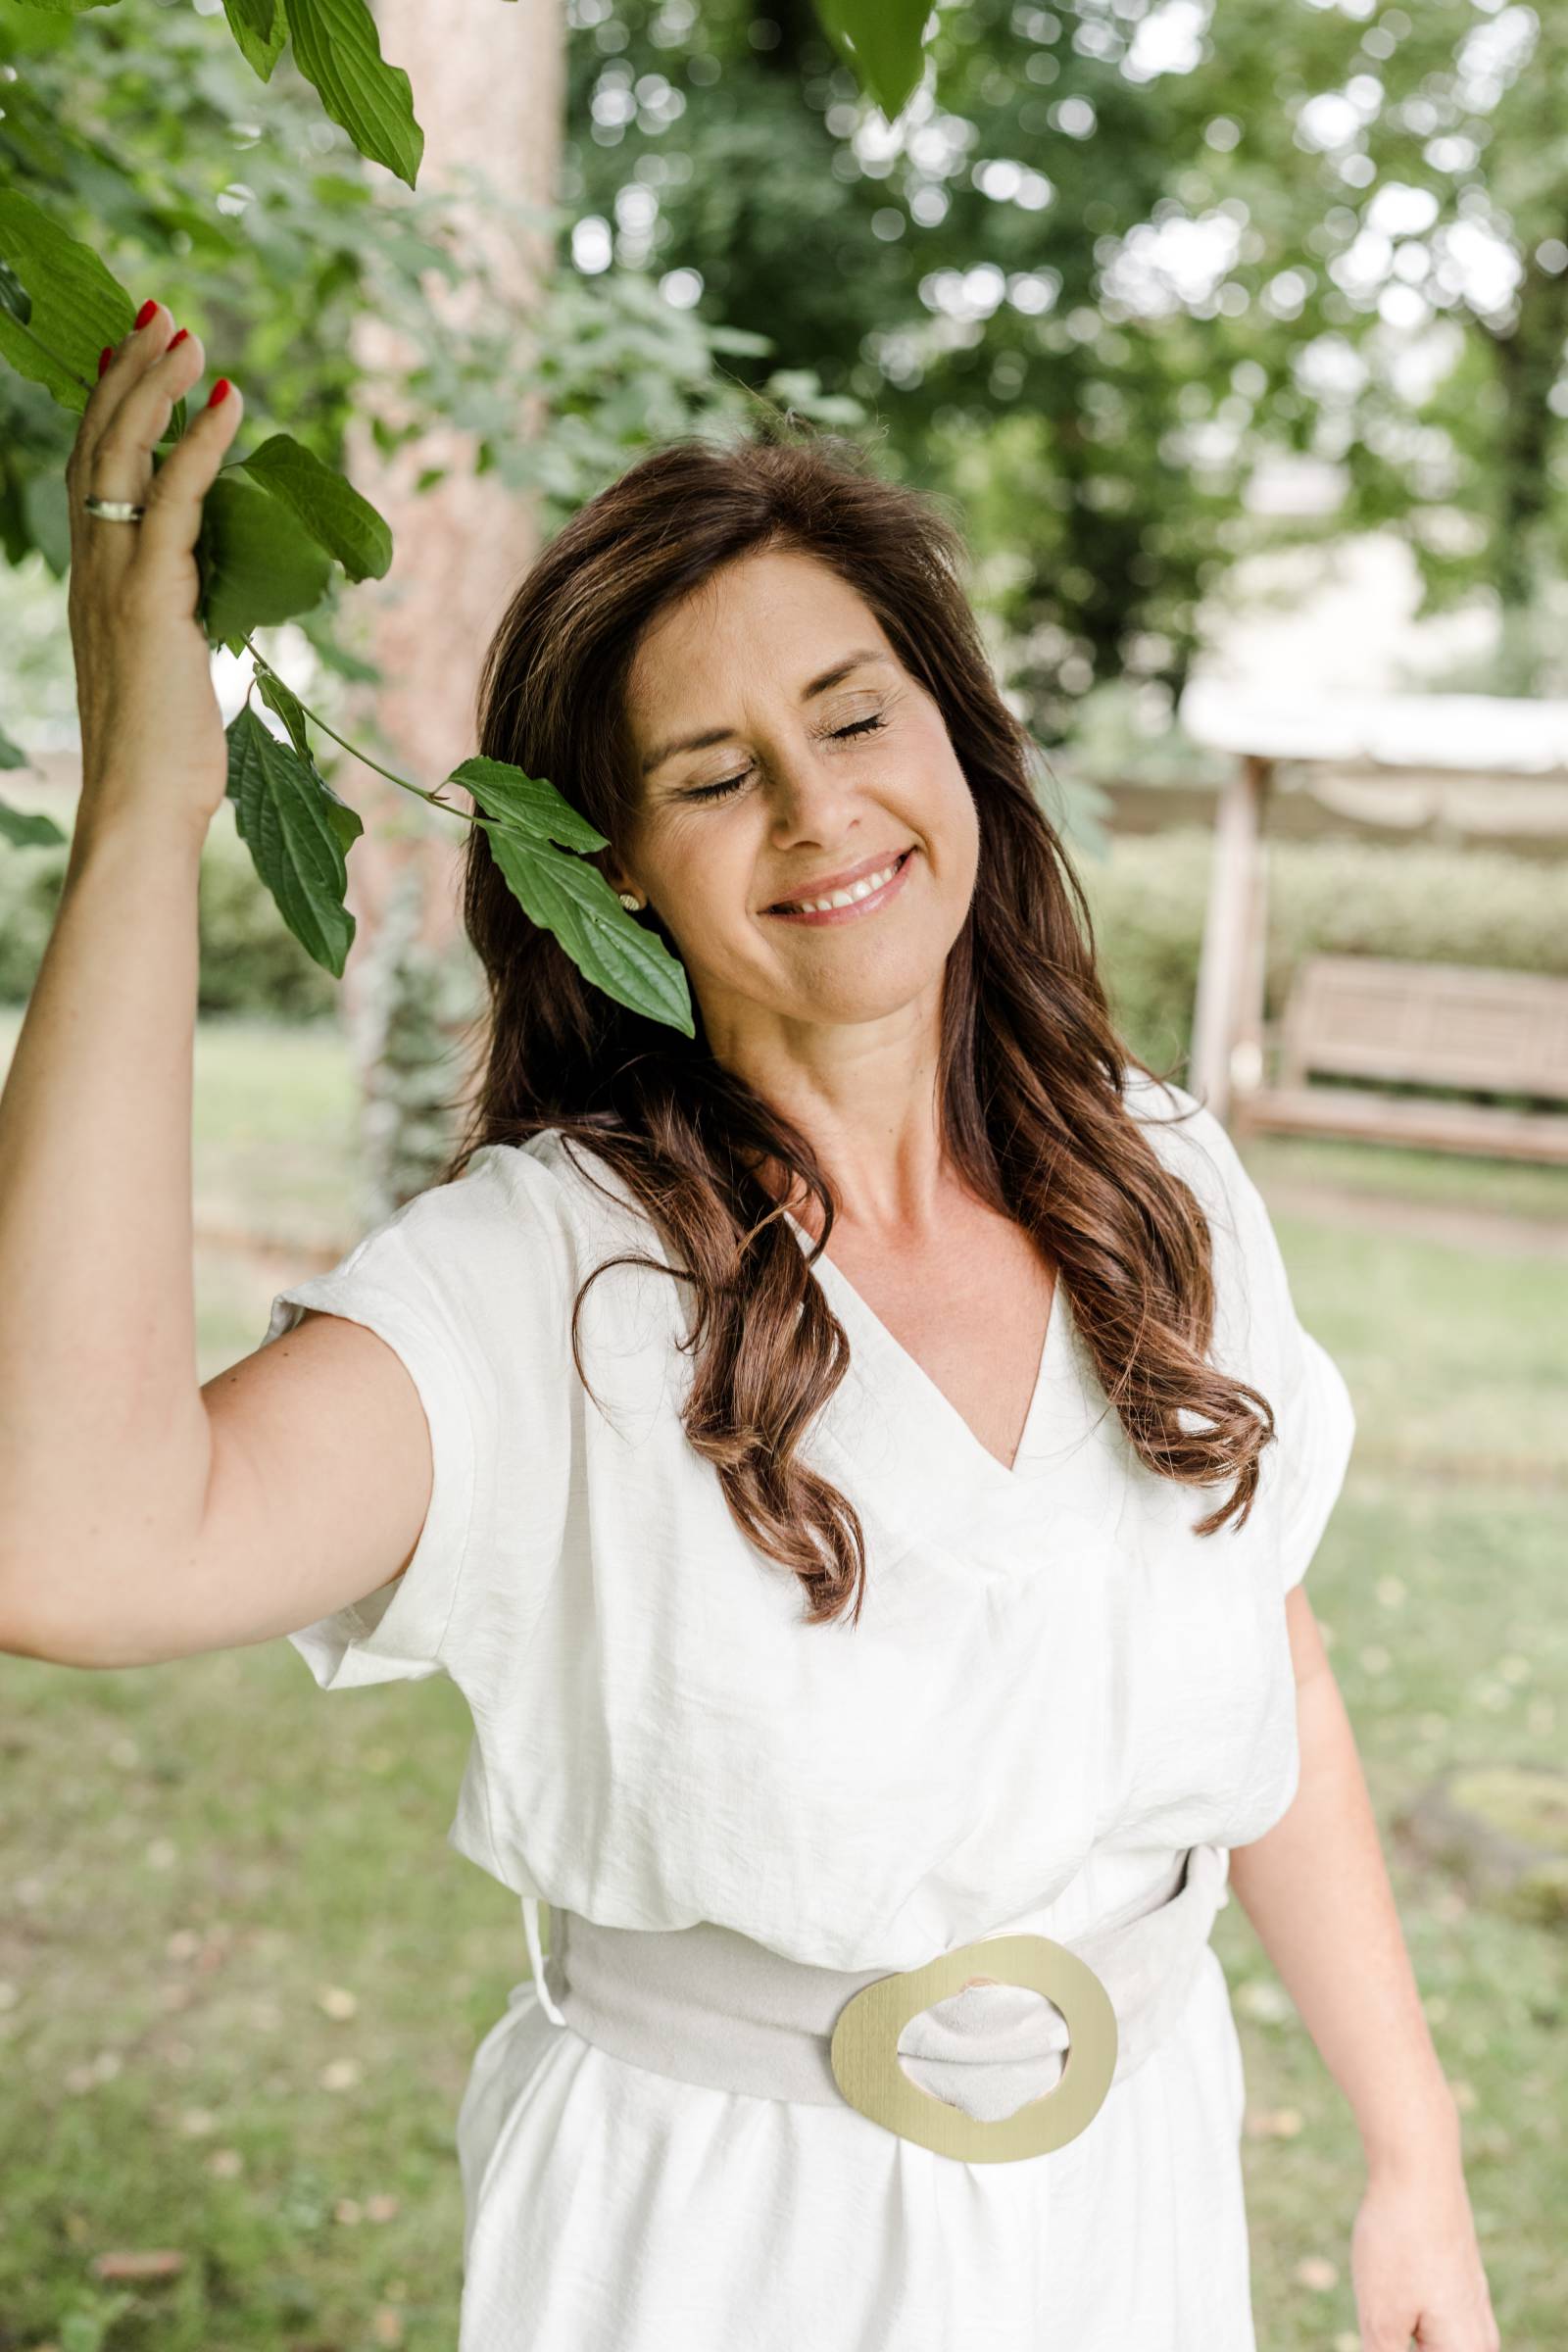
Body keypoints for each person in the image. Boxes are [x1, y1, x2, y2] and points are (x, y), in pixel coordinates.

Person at [0, 299, 1498, 2352]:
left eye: (854, 715)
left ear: (956, 737)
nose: (817, 810)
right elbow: (73, 1549)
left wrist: (1406, 2156)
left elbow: (1271, 1670)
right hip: (716, 2242)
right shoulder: (543, 1280)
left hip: (1130, 2203)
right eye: (714, 773)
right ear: (607, 869)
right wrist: (143, 822)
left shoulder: (1158, 1177)